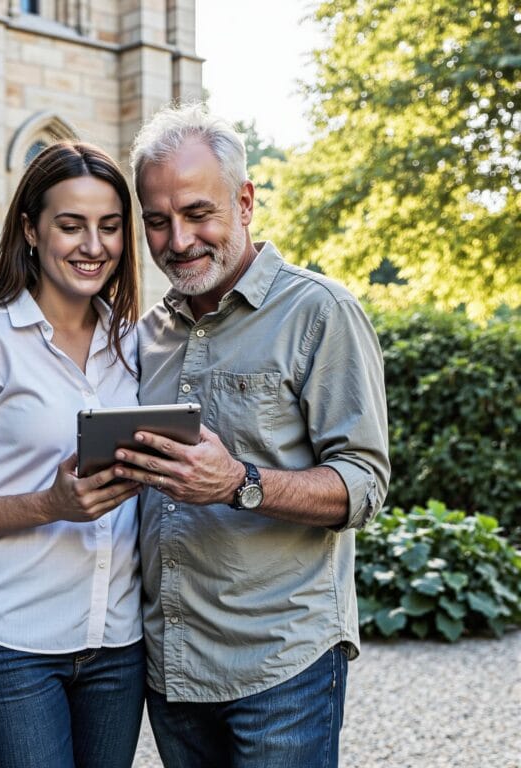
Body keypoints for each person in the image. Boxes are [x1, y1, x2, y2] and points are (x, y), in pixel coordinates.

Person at [112, 103, 391, 767]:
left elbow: (364, 485)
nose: (177, 241)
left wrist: (240, 482)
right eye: (156, 220)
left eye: (197, 213)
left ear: (244, 201)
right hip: (171, 670)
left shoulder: (319, 311)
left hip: (282, 668)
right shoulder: (143, 337)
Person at [0, 141, 146, 768]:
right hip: (5, 639)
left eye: (110, 226)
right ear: (30, 231)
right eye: (71, 225)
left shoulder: (138, 346)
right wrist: (50, 503)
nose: (93, 245)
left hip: (117, 644)